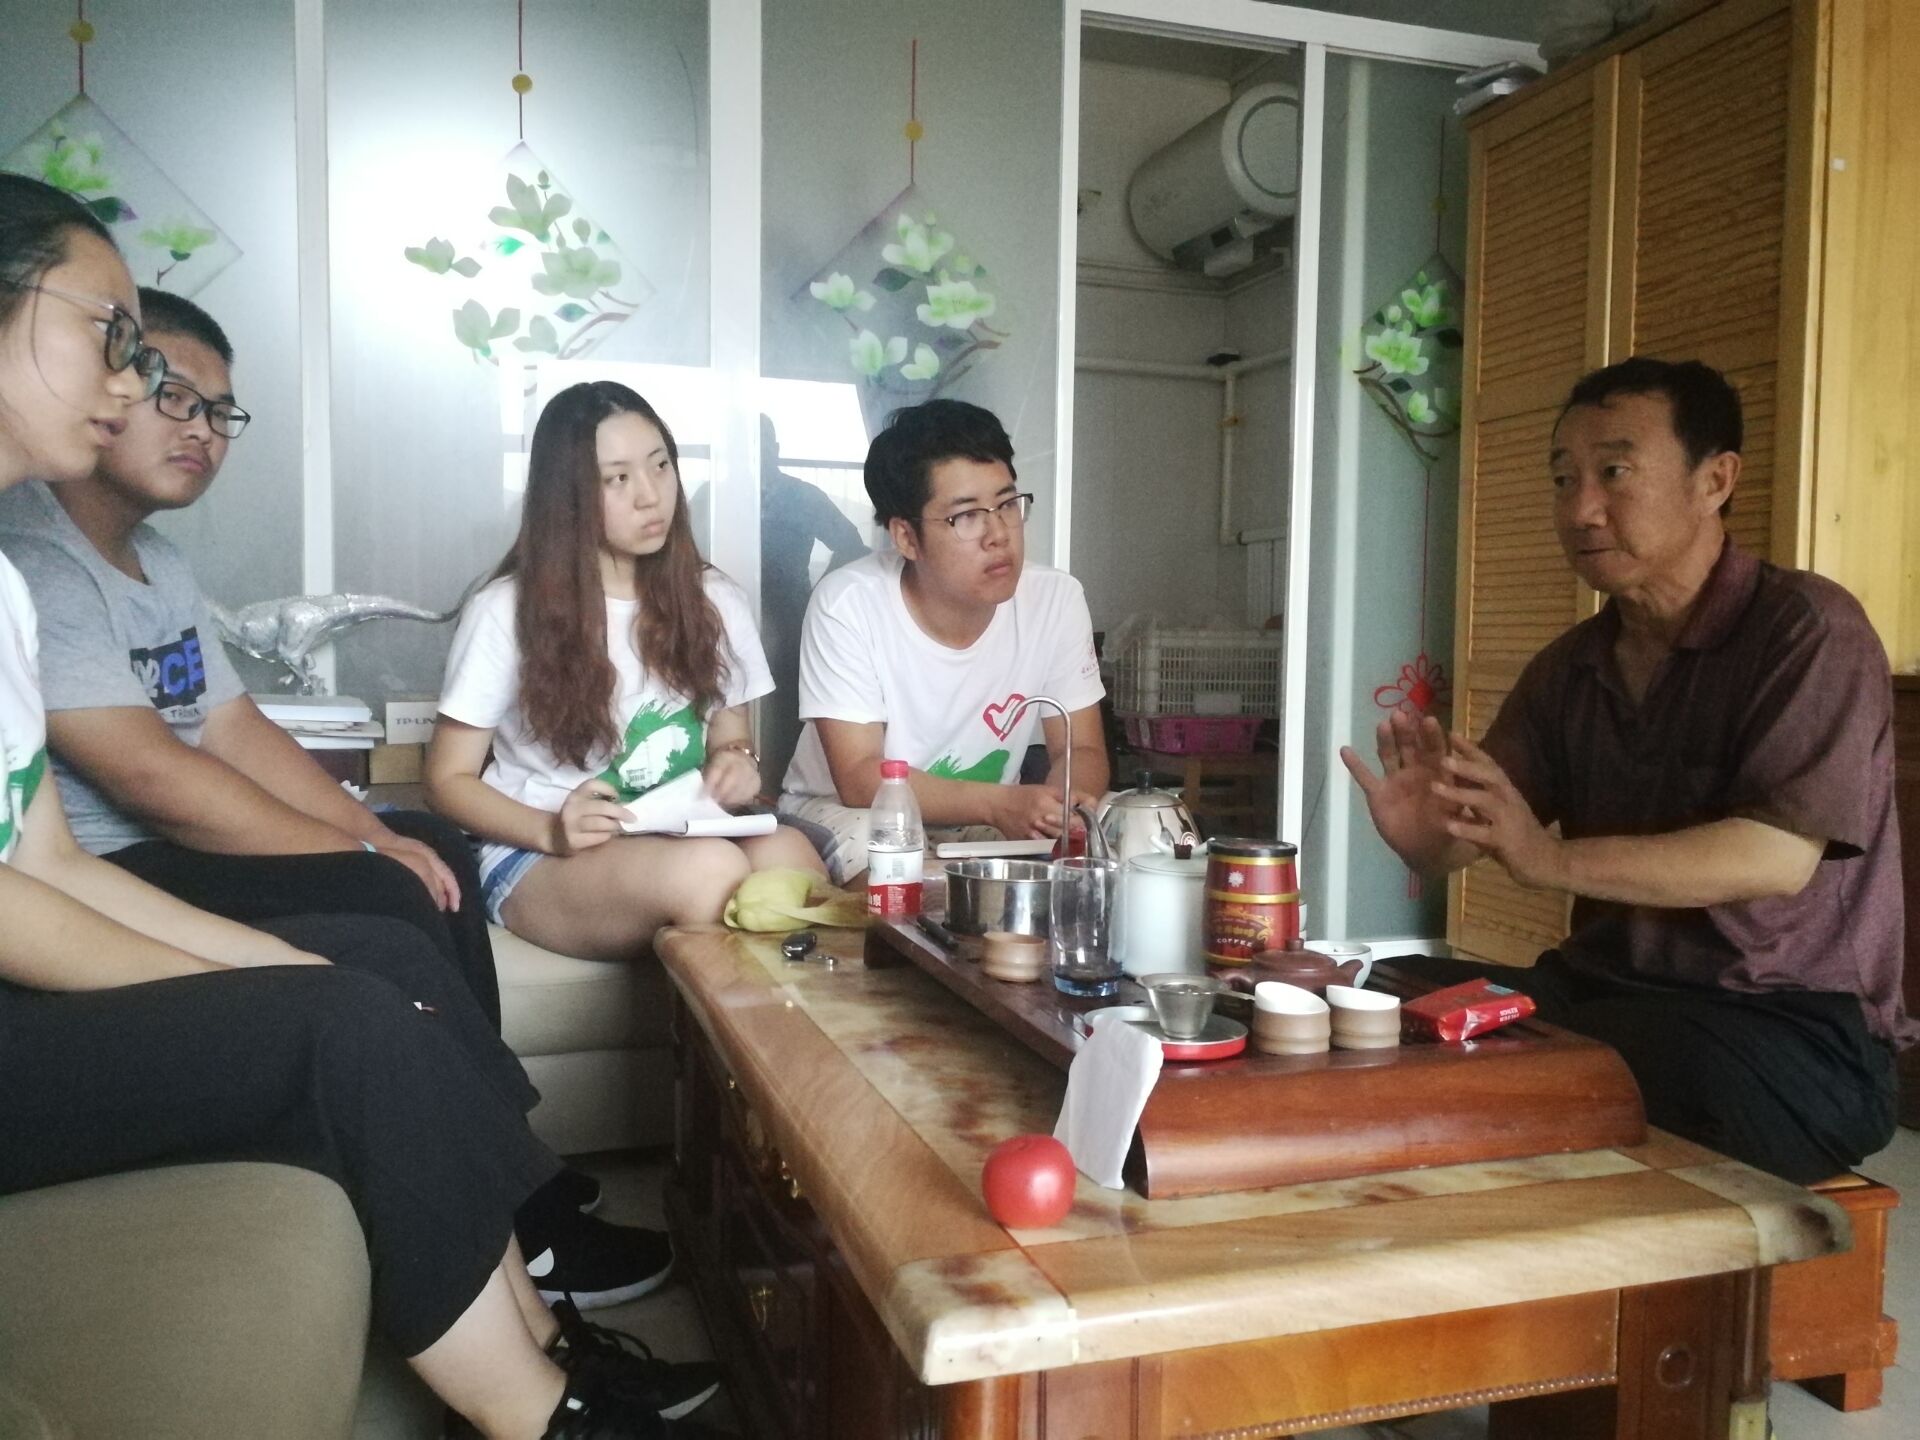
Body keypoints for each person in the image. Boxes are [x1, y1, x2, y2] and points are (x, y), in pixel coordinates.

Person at [0, 175, 721, 1438]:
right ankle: (545, 1403)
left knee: (384, 927)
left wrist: (355, 856)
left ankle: (545, 1317)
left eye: (192, 390)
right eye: (113, 340)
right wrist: (284, 953)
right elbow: (147, 784)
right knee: (353, 1007)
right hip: (84, 929)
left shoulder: (49, 582)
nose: (132, 383)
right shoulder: (37, 565)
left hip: (76, 905)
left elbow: (58, 850)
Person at [1342, 356, 1912, 1185]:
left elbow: (1775, 857)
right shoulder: (1570, 666)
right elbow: (1471, 835)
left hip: (1790, 1029)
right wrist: (1424, 835)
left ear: (1715, 480)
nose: (1580, 508)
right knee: (1378, 998)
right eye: (1563, 478)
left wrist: (1549, 859)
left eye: (1614, 472)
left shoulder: (1809, 630)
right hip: (1604, 993)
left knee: (1594, 1066)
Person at [425, 380, 823, 962]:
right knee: (709, 873)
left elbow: (732, 735)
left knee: (793, 859)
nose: (650, 495)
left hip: (680, 827)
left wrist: (736, 762)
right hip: (542, 848)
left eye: (660, 466)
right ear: (568, 497)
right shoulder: (504, 610)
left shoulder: (714, 598)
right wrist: (549, 831)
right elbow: (447, 780)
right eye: (618, 478)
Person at [776, 399, 1108, 884]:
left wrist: (1063, 806)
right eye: (966, 516)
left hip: (984, 813)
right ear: (906, 538)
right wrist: (999, 804)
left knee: (1110, 838)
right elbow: (859, 776)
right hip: (849, 811)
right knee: (903, 874)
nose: (999, 535)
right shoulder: (849, 603)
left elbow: (1083, 749)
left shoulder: (1056, 599)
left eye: (1008, 504)